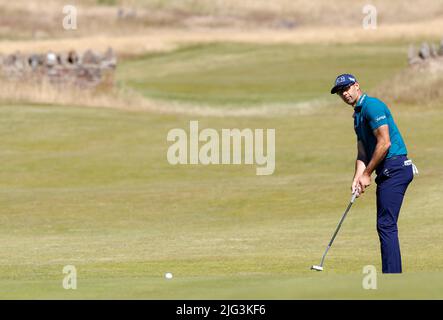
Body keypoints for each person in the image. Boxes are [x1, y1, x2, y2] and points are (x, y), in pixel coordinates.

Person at [330, 74, 417, 273]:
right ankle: (392, 275)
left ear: (356, 86)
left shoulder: (372, 106)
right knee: (384, 224)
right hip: (387, 169)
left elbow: (384, 143)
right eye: (340, 92)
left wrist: (368, 173)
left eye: (346, 88)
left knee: (386, 224)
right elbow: (362, 152)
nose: (344, 94)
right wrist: (357, 177)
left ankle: (393, 278)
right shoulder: (357, 116)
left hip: (395, 167)